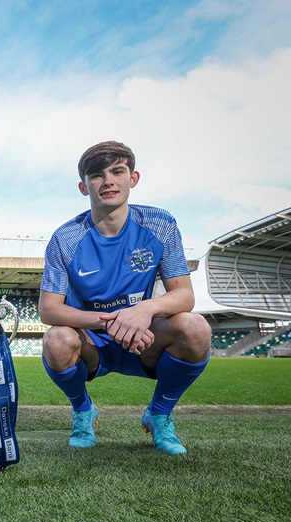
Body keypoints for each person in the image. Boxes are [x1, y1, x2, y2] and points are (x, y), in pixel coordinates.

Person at [39, 140, 211, 455]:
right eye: (97, 175)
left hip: (143, 339)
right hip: (93, 341)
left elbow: (184, 296)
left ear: (133, 178)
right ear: (83, 186)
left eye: (117, 171)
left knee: (195, 328)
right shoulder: (65, 238)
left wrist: (144, 310)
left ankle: (159, 413)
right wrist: (115, 322)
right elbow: (49, 310)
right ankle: (83, 411)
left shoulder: (161, 224)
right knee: (56, 340)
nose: (108, 181)